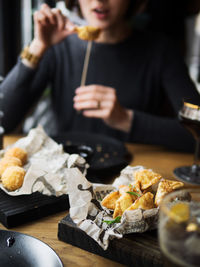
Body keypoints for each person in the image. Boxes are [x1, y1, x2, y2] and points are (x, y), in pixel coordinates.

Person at [0, 0, 200, 152]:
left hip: (132, 181)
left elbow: (197, 131)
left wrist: (126, 119)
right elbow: (3, 121)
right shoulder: (57, 45)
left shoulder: (161, 51)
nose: (99, 1)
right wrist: (37, 47)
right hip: (64, 174)